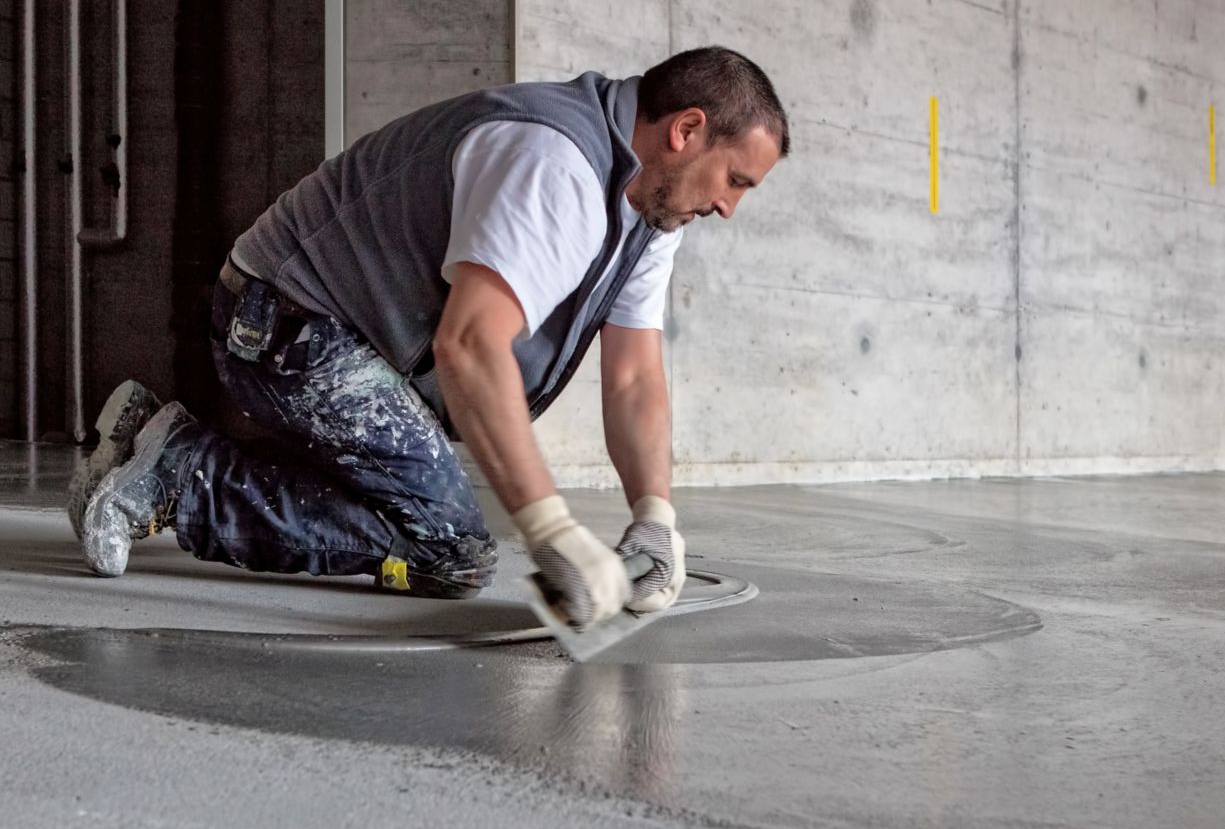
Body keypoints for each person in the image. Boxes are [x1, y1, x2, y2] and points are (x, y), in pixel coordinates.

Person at [72, 46, 790, 628]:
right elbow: (471, 346)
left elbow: (634, 376)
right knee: (448, 549)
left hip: (350, 340)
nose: (728, 205)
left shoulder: (650, 209)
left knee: (414, 500)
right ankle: (183, 473)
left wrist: (653, 518)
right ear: (686, 130)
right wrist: (552, 529)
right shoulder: (556, 163)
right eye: (736, 180)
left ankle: (150, 438)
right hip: (284, 321)